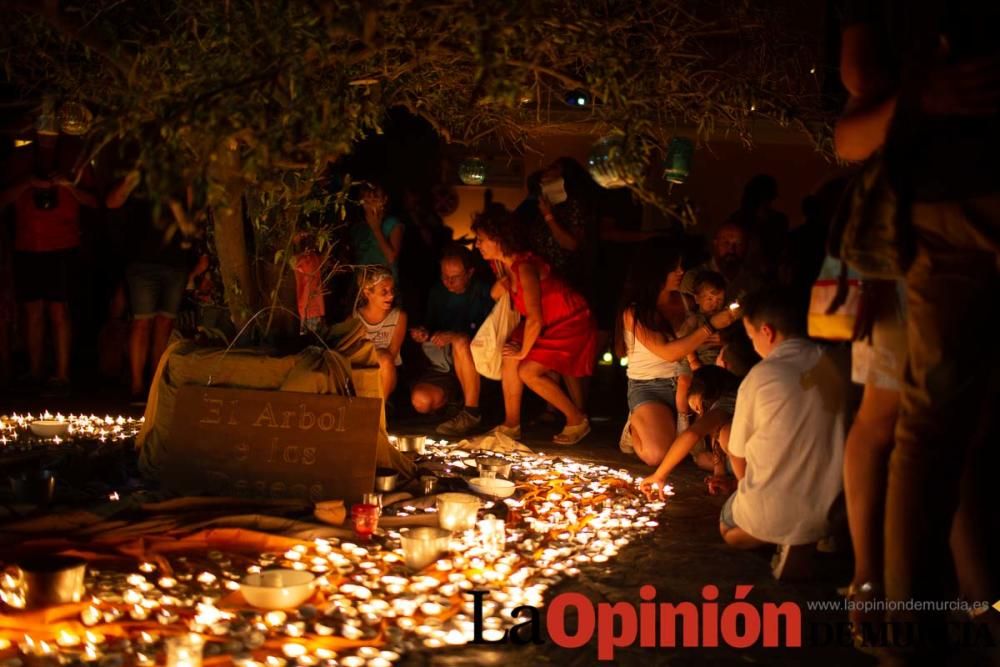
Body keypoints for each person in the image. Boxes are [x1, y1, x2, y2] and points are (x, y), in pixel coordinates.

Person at [837, 0, 1000, 642]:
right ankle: (895, 599)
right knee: (910, 422)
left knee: (938, 427)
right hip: (909, 237)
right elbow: (852, 124)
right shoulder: (909, 103)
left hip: (922, 226)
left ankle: (947, 602)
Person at [716, 289, 846, 580]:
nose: (754, 345)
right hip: (836, 508)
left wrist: (743, 487)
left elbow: (736, 453)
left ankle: (784, 534)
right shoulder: (840, 364)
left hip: (772, 511)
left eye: (751, 338)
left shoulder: (761, 375)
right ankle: (812, 534)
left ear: (767, 332)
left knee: (728, 528)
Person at [473, 204, 596, 445]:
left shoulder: (524, 267)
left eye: (481, 239)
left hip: (569, 321)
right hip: (547, 322)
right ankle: (511, 424)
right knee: (509, 355)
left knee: (527, 370)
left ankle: (576, 419)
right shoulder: (504, 265)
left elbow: (535, 317)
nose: (477, 245)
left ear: (498, 239)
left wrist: (524, 351)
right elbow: (496, 294)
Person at [617, 242, 738, 466]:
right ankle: (636, 424)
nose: (681, 272)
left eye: (682, 266)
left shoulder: (688, 301)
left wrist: (725, 333)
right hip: (650, 385)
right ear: (655, 271)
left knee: (718, 445)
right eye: (675, 268)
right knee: (657, 455)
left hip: (690, 379)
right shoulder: (635, 312)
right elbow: (669, 353)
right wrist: (710, 326)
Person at [0, 131, 96, 396]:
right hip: (26, 245)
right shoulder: (21, 158)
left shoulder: (74, 156)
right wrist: (27, 183)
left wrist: (68, 185)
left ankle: (62, 375)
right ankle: (35, 371)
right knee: (32, 312)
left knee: (59, 311)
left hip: (63, 246)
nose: (47, 132)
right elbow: (3, 199)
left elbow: (96, 201)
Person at [106, 170, 201, 401]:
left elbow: (193, 217)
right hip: (142, 261)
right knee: (142, 322)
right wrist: (135, 175)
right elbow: (111, 202)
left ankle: (155, 384)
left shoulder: (183, 178)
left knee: (165, 323)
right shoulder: (140, 177)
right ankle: (138, 385)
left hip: (175, 261)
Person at [409, 244, 494, 436]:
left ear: (469, 273)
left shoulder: (484, 292)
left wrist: (454, 336)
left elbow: (489, 336)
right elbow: (430, 326)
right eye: (444, 276)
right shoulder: (438, 292)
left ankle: (471, 411)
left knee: (461, 341)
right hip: (444, 367)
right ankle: (452, 401)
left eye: (454, 278)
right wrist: (422, 333)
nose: (448, 282)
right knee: (420, 401)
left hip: (475, 364)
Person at [640, 365, 740, 497]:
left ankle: (745, 487)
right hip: (746, 457)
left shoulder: (730, 399)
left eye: (699, 407)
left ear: (710, 393)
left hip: (764, 460)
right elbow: (715, 433)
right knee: (702, 459)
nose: (700, 414)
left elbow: (693, 434)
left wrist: (660, 474)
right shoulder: (723, 405)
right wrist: (719, 474)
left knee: (727, 434)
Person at [354, 266, 406, 400]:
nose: (391, 295)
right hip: (363, 374)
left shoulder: (398, 317)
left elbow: (391, 355)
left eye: (392, 290)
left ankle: (380, 409)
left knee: (385, 358)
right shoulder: (355, 319)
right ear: (367, 293)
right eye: (384, 291)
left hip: (387, 374)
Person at [680, 222, 752, 302]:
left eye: (739, 244)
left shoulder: (751, 281)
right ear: (715, 243)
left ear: (746, 246)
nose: (731, 250)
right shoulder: (693, 278)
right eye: (726, 243)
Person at [350, 183, 404, 278]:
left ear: (384, 199)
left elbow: (391, 258)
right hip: (363, 282)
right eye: (367, 198)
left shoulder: (393, 224)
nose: (371, 202)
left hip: (385, 282)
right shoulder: (358, 227)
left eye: (375, 198)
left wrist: (376, 228)